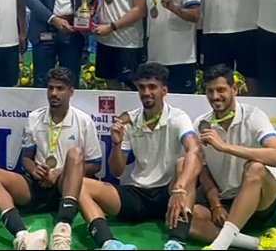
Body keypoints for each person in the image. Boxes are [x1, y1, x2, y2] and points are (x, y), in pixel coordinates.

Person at [77, 62, 203, 250]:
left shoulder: (178, 118)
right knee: (81, 184)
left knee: (184, 163)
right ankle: (108, 243)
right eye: (142, 87)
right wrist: (117, 144)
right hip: (137, 194)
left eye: (152, 87)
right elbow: (117, 171)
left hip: (168, 193)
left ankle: (177, 242)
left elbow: (196, 150)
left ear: (164, 91)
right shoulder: (130, 120)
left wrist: (179, 189)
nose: (146, 92)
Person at [0, 67, 103, 250]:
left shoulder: (84, 121)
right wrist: (34, 170)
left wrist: (60, 172)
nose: (54, 93)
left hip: (66, 186)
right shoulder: (34, 118)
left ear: (71, 92)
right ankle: (23, 236)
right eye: (51, 88)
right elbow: (26, 159)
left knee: (76, 154)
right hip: (37, 184)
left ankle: (63, 229)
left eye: (60, 89)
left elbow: (95, 164)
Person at [190, 64, 276, 250]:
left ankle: (219, 246)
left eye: (221, 90)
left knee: (255, 168)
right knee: (189, 219)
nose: (215, 96)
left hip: (267, 203)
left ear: (234, 89)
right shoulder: (201, 123)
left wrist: (225, 147)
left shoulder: (253, 116)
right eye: (210, 91)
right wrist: (215, 205)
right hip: (230, 203)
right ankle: (260, 245)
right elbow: (203, 169)